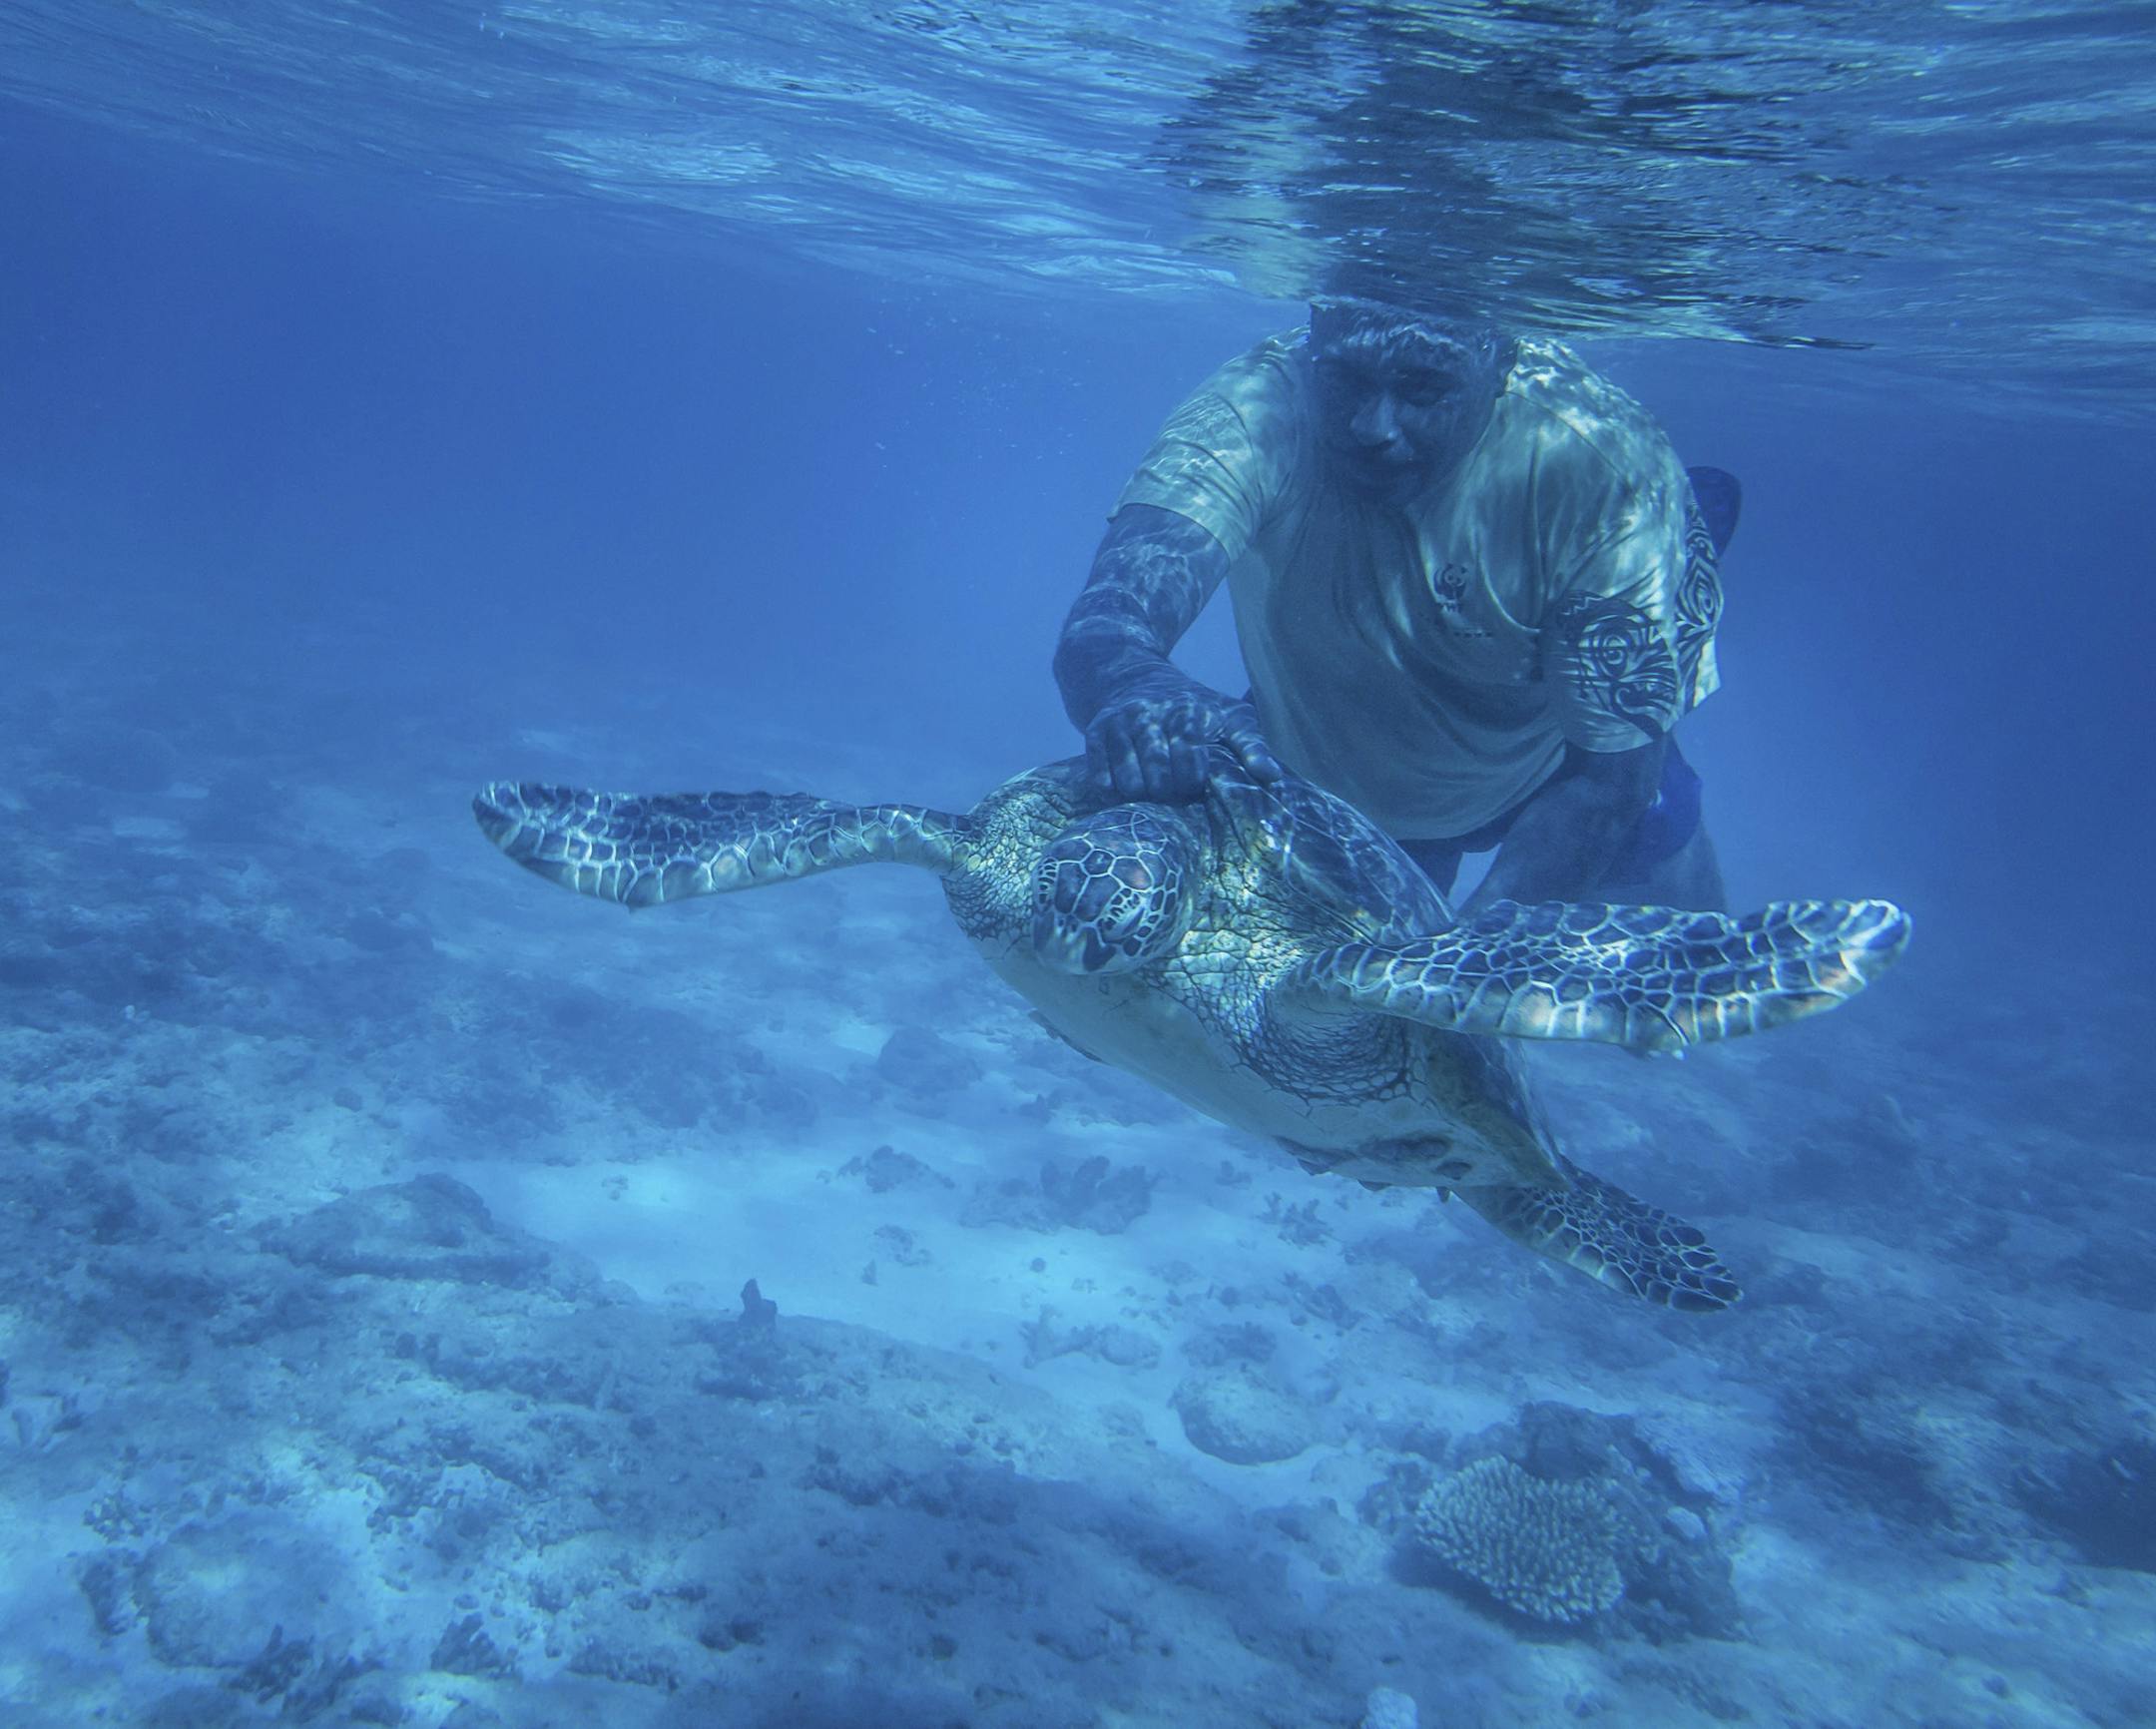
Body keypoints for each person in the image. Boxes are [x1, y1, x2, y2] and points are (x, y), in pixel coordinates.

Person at [1052, 295, 1738, 915]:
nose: (1371, 425)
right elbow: (1107, 625)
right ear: (1315, 337)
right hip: (1325, 774)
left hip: (1547, 772)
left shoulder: (1608, 470)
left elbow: (1607, 787)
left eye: (1422, 387)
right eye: (1344, 379)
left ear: (1501, 363)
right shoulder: (1256, 406)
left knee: (1710, 974)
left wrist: (1460, 971)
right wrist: (1139, 689)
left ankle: (1675, 557)